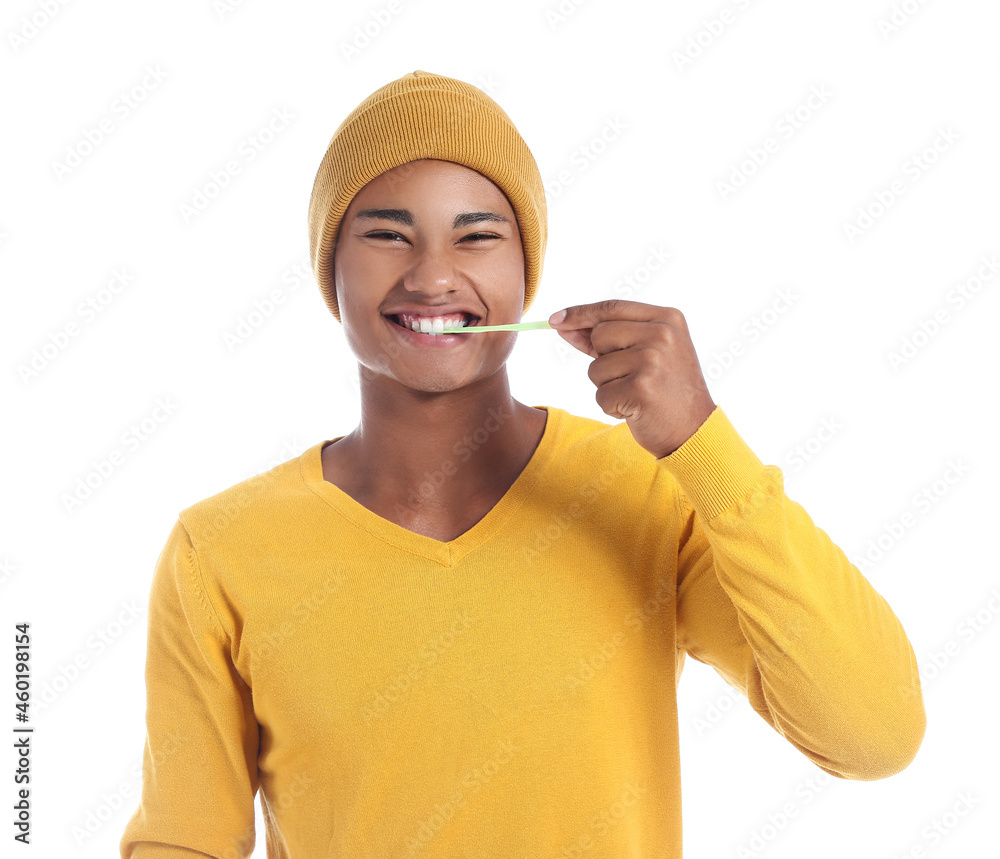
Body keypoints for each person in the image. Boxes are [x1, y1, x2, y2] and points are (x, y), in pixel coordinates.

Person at [120, 70, 925, 858]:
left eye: (477, 235)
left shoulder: (644, 494)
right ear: (330, 269)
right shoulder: (221, 550)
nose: (434, 275)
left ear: (526, 271)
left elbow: (874, 733)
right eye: (387, 233)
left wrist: (702, 441)